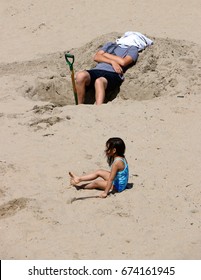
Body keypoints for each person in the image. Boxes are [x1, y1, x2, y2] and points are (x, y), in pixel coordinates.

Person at [75, 31, 153, 105]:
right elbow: (96, 57)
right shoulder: (110, 44)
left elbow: (123, 62)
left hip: (113, 73)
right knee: (80, 75)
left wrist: (105, 54)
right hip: (97, 70)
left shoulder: (133, 49)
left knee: (99, 81)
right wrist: (113, 62)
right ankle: (79, 105)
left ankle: (99, 108)